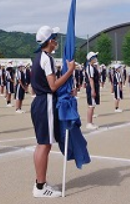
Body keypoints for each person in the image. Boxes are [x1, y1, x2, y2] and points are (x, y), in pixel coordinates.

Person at [31, 25, 75, 198]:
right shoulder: (46, 59)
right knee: (45, 144)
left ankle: (39, 182)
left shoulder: (37, 58)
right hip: (46, 103)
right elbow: (53, 85)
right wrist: (70, 71)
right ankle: (40, 187)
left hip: (40, 102)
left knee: (42, 143)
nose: (57, 41)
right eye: (55, 38)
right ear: (50, 41)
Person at [85, 52, 100, 130]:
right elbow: (91, 79)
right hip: (91, 87)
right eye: (94, 57)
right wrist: (93, 90)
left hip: (93, 87)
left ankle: (91, 122)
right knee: (91, 105)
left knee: (92, 105)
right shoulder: (89, 67)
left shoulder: (92, 67)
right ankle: (89, 123)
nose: (96, 58)